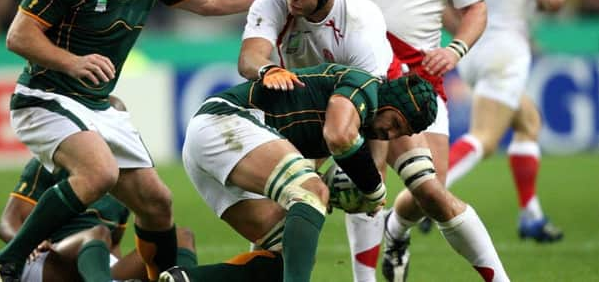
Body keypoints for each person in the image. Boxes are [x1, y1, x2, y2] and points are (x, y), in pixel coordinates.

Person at [0, 0, 271, 282]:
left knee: (158, 203)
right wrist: (71, 62)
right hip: (45, 98)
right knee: (99, 174)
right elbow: (18, 36)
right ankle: (9, 260)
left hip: (97, 106)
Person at [322, 0, 509, 281]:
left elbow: (476, 7)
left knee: (430, 192)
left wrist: (457, 48)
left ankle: (397, 229)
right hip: (362, 75)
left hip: (419, 83)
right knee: (365, 186)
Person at [164, 63, 438, 282]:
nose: (389, 135)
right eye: (394, 123)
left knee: (285, 259)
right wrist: (372, 188)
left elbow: (311, 166)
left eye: (401, 134)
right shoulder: (364, 84)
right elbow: (339, 137)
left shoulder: (354, 121)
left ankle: (185, 279)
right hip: (224, 122)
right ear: (389, 103)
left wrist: (332, 192)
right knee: (311, 191)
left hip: (210, 150)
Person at [237, 0, 399, 282]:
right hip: (296, 109)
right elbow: (249, 58)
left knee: (380, 189)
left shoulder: (361, 23)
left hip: (357, 104)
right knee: (274, 217)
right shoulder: (275, 0)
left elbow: (372, 106)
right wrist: (268, 69)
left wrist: (374, 172)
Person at [444, 0, 569, 242]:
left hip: (472, 47)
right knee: (485, 136)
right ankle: (427, 193)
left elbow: (443, 0)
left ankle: (531, 215)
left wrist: (461, 36)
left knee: (528, 120)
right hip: (506, 48)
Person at [0, 158, 198, 282]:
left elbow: (115, 243)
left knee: (181, 236)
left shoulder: (126, 179)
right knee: (97, 233)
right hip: (48, 260)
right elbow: (8, 221)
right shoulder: (52, 160)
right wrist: (27, 244)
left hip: (94, 264)